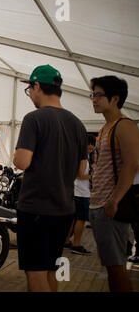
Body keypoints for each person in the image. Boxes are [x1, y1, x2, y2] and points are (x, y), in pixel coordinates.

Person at [14, 65, 87, 292]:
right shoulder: (78, 125)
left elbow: (22, 162)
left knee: (35, 273)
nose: (31, 97)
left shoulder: (34, 119)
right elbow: (81, 170)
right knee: (50, 270)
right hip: (65, 210)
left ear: (37, 86)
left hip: (36, 208)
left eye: (30, 90)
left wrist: (17, 156)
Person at [89, 75, 138, 292]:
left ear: (115, 98)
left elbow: (132, 164)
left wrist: (114, 200)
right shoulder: (104, 129)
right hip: (99, 205)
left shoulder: (124, 125)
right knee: (111, 266)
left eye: (99, 95)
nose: (94, 99)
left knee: (117, 266)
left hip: (111, 207)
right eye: (93, 95)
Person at [64, 134, 96, 255]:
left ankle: (67, 241)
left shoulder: (79, 155)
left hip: (77, 191)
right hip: (81, 193)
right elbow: (80, 175)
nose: (92, 147)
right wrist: (93, 174)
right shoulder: (82, 157)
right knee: (80, 220)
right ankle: (76, 244)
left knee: (73, 219)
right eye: (90, 144)